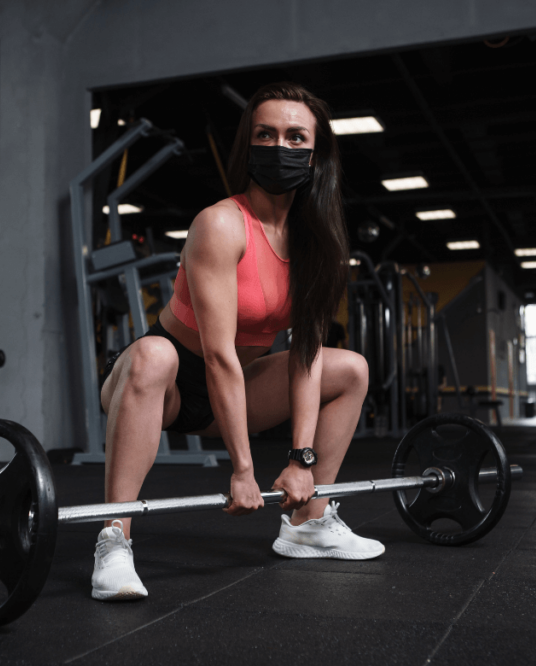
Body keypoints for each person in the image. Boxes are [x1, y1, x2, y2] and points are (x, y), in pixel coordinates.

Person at [93, 82, 379, 602]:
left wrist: (302, 460)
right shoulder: (221, 224)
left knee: (352, 369)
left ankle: (307, 522)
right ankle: (114, 539)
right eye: (265, 135)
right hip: (166, 383)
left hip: (238, 387)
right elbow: (219, 353)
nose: (279, 148)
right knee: (154, 354)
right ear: (247, 145)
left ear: (317, 154)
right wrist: (242, 470)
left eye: (296, 137)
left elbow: (308, 352)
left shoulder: (320, 244)